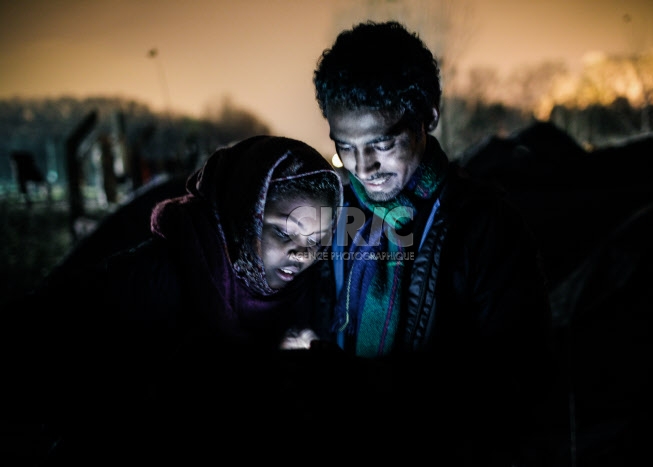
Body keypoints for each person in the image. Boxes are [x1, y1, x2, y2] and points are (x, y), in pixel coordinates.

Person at [5, 135, 344, 461]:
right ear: (246, 213)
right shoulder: (156, 276)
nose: (301, 255)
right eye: (283, 232)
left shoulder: (309, 295)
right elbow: (41, 343)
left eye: (315, 242)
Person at [312, 20, 555, 464]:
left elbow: (519, 375)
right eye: (345, 147)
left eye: (382, 143)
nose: (363, 166)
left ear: (429, 115)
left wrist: (368, 384)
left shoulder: (484, 227)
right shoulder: (331, 214)